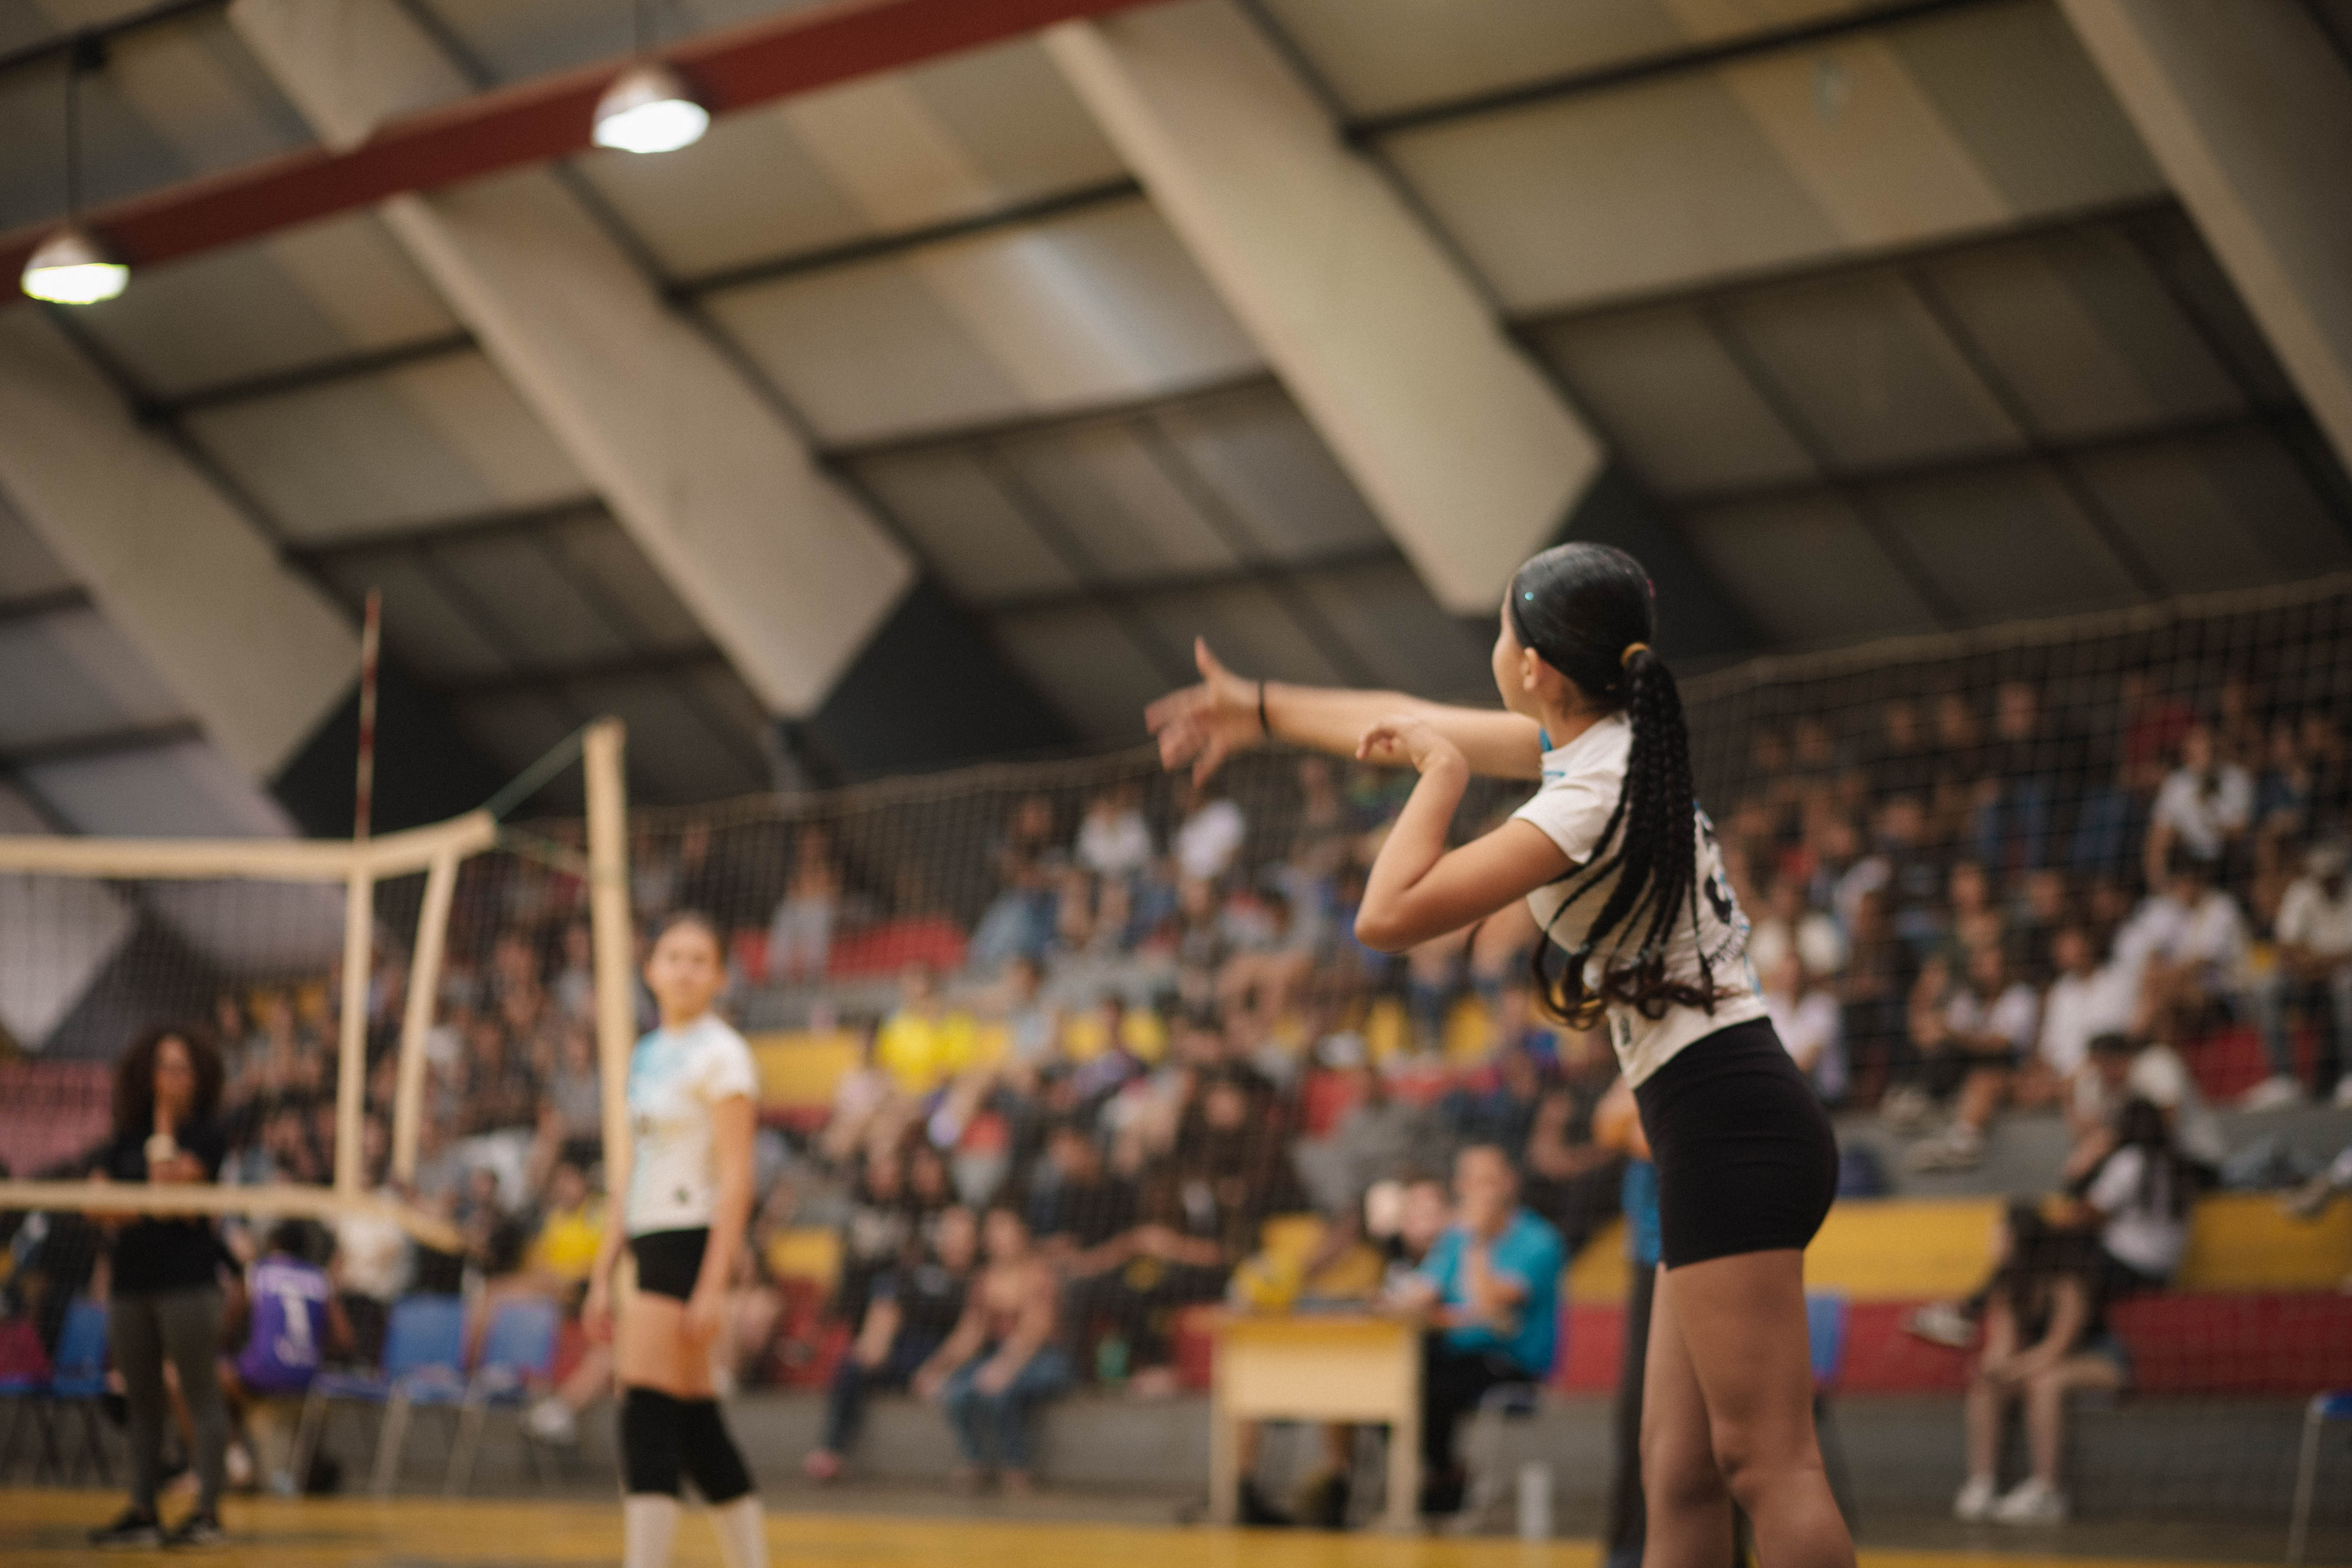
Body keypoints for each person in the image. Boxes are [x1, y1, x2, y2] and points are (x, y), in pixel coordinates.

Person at [1147, 540, 1852, 1566]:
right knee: (1678, 1467)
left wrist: (1437, 777)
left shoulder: (1583, 796)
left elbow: (1386, 916)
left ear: (1533, 669)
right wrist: (1257, 710)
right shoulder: (1608, 742)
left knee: (1767, 1463)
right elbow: (1397, 715)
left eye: (1500, 632)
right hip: (1720, 1118)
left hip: (1725, 1123)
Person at [583, 913, 768, 1568]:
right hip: (650, 1240)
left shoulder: (724, 1054)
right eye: (673, 957)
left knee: (645, 1410)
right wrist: (603, 1271)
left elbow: (739, 1178)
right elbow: (633, 1170)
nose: (685, 970)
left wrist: (714, 1285)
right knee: (694, 1422)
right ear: (651, 969)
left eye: (699, 959)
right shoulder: (646, 1054)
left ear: (719, 976)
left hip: (692, 1242)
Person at [88, 1024, 233, 1550]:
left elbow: (169, 1185)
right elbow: (98, 1206)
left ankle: (207, 1513)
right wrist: (154, 1203)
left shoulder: (208, 1136)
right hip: (131, 1283)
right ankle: (143, 1510)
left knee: (200, 1393)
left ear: (199, 1078)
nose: (171, 1078)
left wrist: (164, 1137)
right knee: (141, 1401)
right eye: (163, 1067)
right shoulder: (123, 1139)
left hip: (188, 1285)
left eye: (182, 1068)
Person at [1386, 1144, 1565, 1516]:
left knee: (1425, 1384)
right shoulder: (1453, 1237)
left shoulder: (1539, 1240)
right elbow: (1422, 1291)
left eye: (1489, 1181)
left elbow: (1491, 1305)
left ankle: (1443, 1478)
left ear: (1510, 1184)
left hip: (1508, 1361)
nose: (1479, 1192)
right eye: (1470, 1181)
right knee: (1390, 1377)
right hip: (1458, 1353)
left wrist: (1478, 1241)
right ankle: (1441, 1475)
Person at [1954, 1207, 2125, 1524]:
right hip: (2041, 1363)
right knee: (1987, 1384)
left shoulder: (2066, 1280)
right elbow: (2002, 1345)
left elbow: (2059, 1346)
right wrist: (1992, 1370)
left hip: (2098, 1360)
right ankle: (1982, 1484)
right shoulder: (2007, 1284)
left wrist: (2011, 1370)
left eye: (2002, 1236)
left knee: (2046, 1383)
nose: (1994, 1243)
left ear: (2022, 1241)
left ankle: (2049, 1492)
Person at [806, 1205, 978, 1482]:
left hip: (948, 1359)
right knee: (853, 1365)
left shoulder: (978, 1280)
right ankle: (831, 1450)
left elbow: (969, 1335)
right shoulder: (917, 1271)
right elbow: (887, 1306)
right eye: (951, 1234)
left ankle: (976, 1465)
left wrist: (937, 1369)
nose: (956, 1242)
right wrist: (875, 1342)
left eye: (964, 1236)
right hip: (904, 1351)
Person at [913, 1206, 1072, 1492]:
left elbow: (1034, 1332)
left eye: (1006, 1230)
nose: (1000, 1239)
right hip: (998, 1355)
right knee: (956, 1392)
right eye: (994, 1232)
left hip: (1045, 1358)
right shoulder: (984, 1279)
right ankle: (977, 1461)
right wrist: (935, 1367)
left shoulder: (1039, 1273)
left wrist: (1005, 1368)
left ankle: (1017, 1465)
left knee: (1002, 1392)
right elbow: (969, 1334)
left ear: (1022, 1234)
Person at [221, 1220, 352, 1496]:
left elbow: (226, 1326)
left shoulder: (258, 1272)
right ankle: (307, 1466)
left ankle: (236, 1457)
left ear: (272, 1244)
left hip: (264, 1376)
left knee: (214, 1373)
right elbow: (345, 1340)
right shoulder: (319, 1278)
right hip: (307, 1378)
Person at [2246, 842, 2352, 1109]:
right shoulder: (2301, 891)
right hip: (2308, 982)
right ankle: (2285, 1080)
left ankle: (2349, 1077)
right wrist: (2323, 961)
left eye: (2333, 874)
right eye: (2322, 875)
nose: (2328, 881)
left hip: (2342, 982)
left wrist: (2316, 959)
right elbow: (2287, 949)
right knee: (2267, 988)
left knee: (2346, 988)